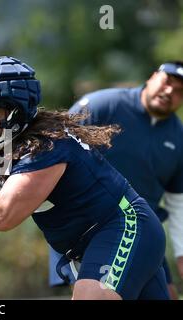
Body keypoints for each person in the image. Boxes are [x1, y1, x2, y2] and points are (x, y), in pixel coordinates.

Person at [0, 56, 170, 300]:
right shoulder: (16, 135)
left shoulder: (45, 147)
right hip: (99, 239)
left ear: (18, 110)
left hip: (122, 229)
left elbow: (3, 213)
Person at [49, 61, 183, 299]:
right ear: (152, 77)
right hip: (89, 232)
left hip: (142, 231)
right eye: (167, 82)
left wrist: (181, 255)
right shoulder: (103, 105)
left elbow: (178, 202)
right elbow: (52, 154)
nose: (170, 92)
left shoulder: (179, 137)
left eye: (180, 91)